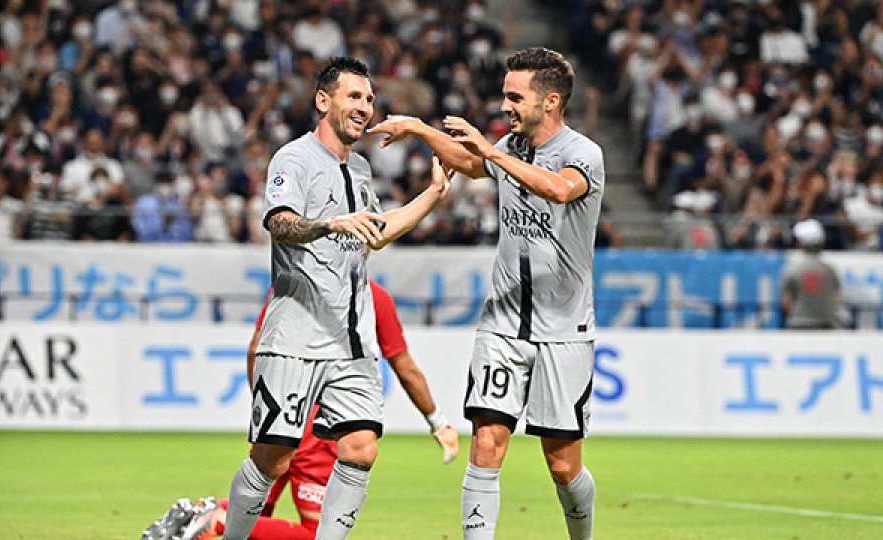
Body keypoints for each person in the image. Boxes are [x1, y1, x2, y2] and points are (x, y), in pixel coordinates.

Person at [369, 46, 604, 539]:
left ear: (551, 101)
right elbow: (470, 163)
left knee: (562, 466)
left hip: (563, 330)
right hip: (502, 322)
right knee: (487, 443)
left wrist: (493, 151)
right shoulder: (509, 148)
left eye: (515, 97)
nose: (505, 106)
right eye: (504, 95)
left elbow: (558, 190)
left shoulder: (583, 154)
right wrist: (418, 128)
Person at [224, 56, 452, 540]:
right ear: (323, 101)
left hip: (350, 341)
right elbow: (280, 224)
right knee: (273, 458)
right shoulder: (293, 159)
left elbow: (377, 231)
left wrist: (431, 195)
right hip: (294, 336)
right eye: (354, 96)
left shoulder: (363, 170)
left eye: (369, 99)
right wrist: (330, 223)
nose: (365, 106)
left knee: (361, 447)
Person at [142, 280, 460, 540]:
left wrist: (266, 408)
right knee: (316, 532)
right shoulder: (373, 296)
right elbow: (403, 364)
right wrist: (438, 421)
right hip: (322, 425)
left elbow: (256, 347)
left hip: (280, 412)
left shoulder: (291, 282)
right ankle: (215, 519)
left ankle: (200, 511)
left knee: (256, 511)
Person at [780, 219, 845, 330]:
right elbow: (836, 298)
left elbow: (786, 301)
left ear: (801, 244)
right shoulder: (829, 270)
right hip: (825, 324)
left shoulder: (793, 269)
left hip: (798, 324)